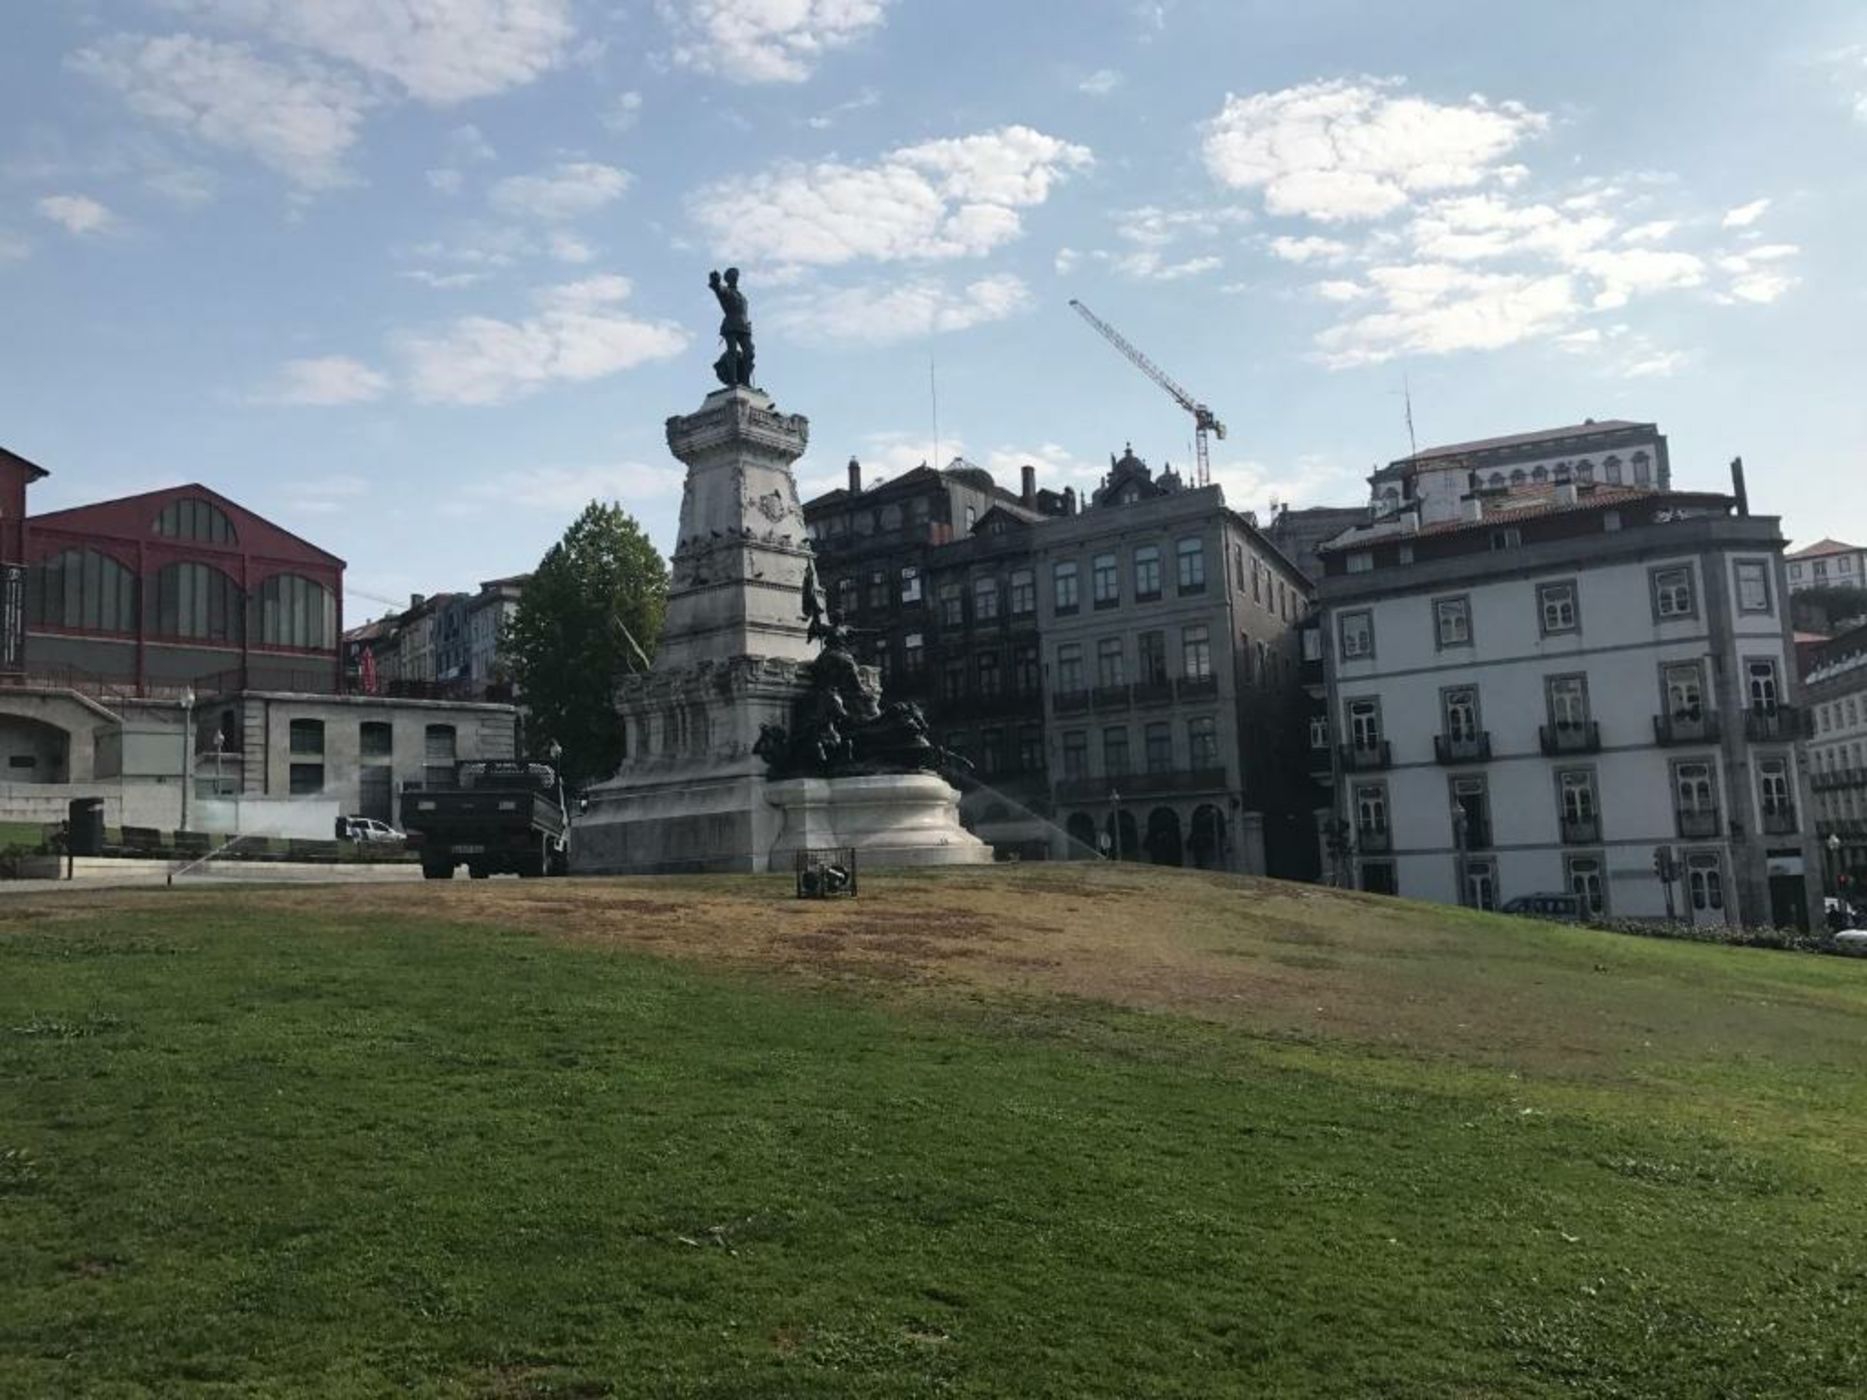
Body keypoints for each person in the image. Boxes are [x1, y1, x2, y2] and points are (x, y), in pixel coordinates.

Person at [709, 267, 754, 387]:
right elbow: (717, 288)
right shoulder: (726, 291)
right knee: (732, 352)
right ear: (728, 279)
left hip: (745, 327)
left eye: (736, 275)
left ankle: (745, 381)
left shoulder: (742, 297)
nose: (735, 277)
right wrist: (715, 281)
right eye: (733, 275)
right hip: (731, 325)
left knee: (749, 353)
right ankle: (733, 380)